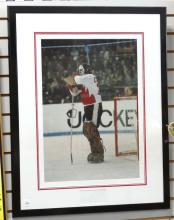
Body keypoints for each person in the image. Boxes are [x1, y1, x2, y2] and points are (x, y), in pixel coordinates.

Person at [64, 64, 105, 163]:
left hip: (95, 105)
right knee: (87, 130)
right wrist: (71, 87)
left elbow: (77, 79)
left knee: (92, 128)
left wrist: (71, 80)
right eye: (79, 70)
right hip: (88, 106)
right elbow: (74, 92)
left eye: (81, 70)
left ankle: (99, 153)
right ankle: (95, 151)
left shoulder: (90, 77)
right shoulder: (84, 80)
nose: (80, 71)